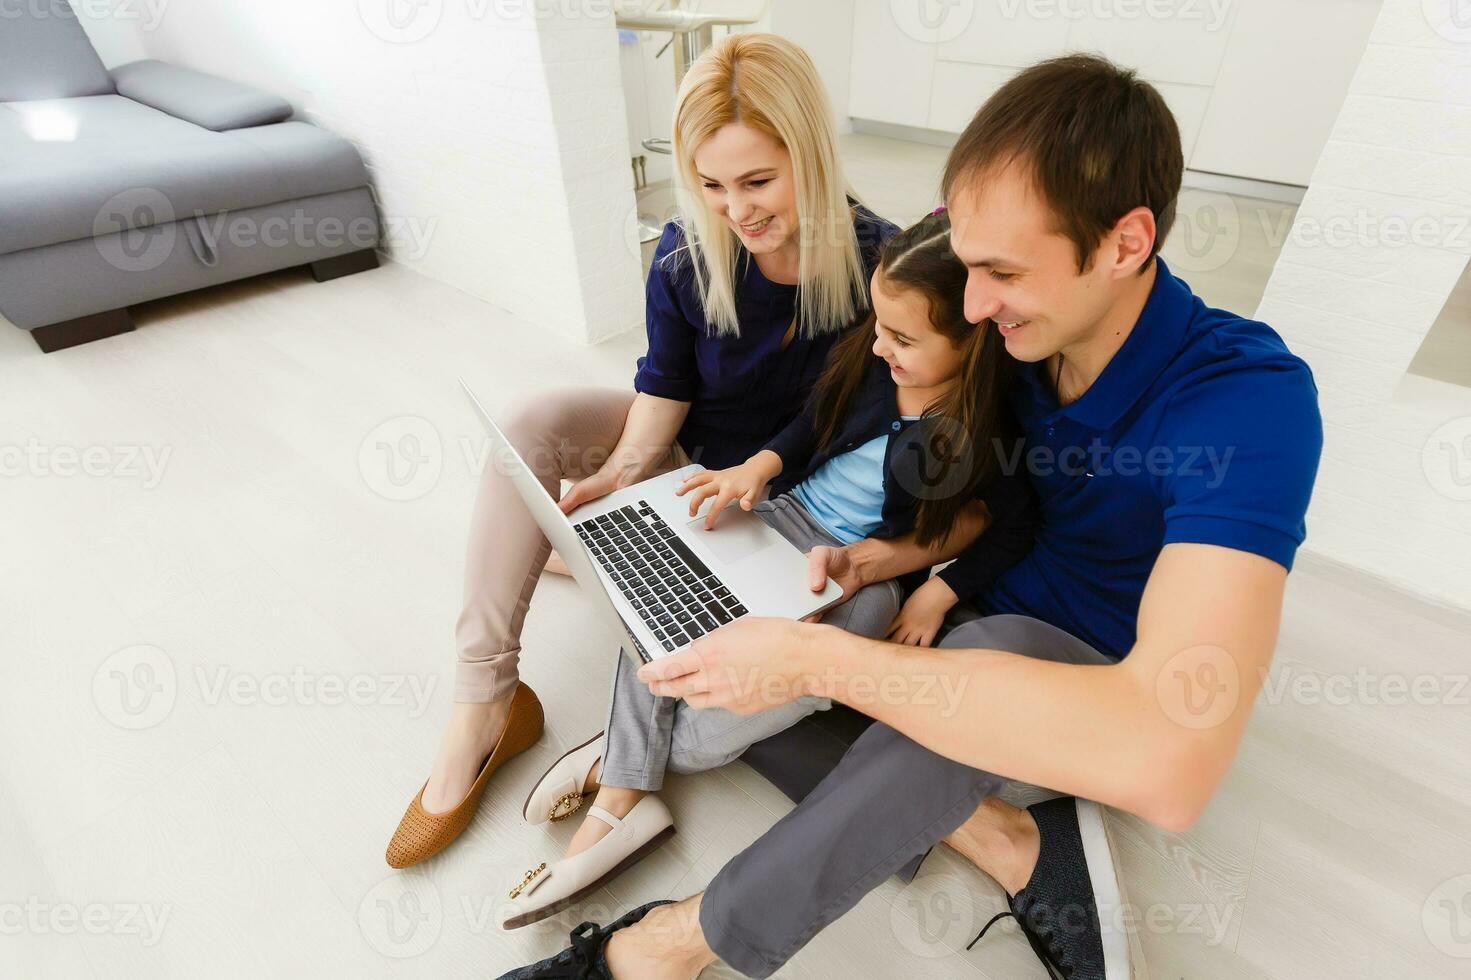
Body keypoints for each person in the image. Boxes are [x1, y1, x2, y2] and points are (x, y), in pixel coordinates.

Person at [504, 54, 1323, 980]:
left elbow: (1170, 762)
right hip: (935, 604)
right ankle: (1010, 837)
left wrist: (824, 657)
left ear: (1126, 243)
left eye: (1003, 272)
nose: (974, 308)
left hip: (1059, 649)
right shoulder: (1006, 333)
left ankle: (659, 946)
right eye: (968, 268)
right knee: (770, 668)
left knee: (865, 686)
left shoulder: (1248, 401)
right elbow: (874, 407)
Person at [384, 33, 900, 869]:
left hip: (776, 499)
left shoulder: (882, 261)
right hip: (688, 460)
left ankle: (584, 569)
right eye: (711, 185)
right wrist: (624, 474)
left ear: (809, 151)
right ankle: (485, 700)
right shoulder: (686, 252)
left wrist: (755, 475)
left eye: (759, 181)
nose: (737, 210)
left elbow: (864, 417)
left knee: (643, 561)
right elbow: (664, 388)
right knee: (536, 416)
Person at [498, 211, 1036, 928]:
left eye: (902, 338)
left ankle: (616, 761)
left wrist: (939, 590)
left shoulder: (991, 428)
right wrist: (758, 466)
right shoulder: (872, 363)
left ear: (973, 340)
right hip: (782, 515)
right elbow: (812, 423)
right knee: (656, 606)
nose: (878, 345)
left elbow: (1013, 524)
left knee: (734, 713)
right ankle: (619, 805)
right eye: (878, 325)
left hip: (864, 579)